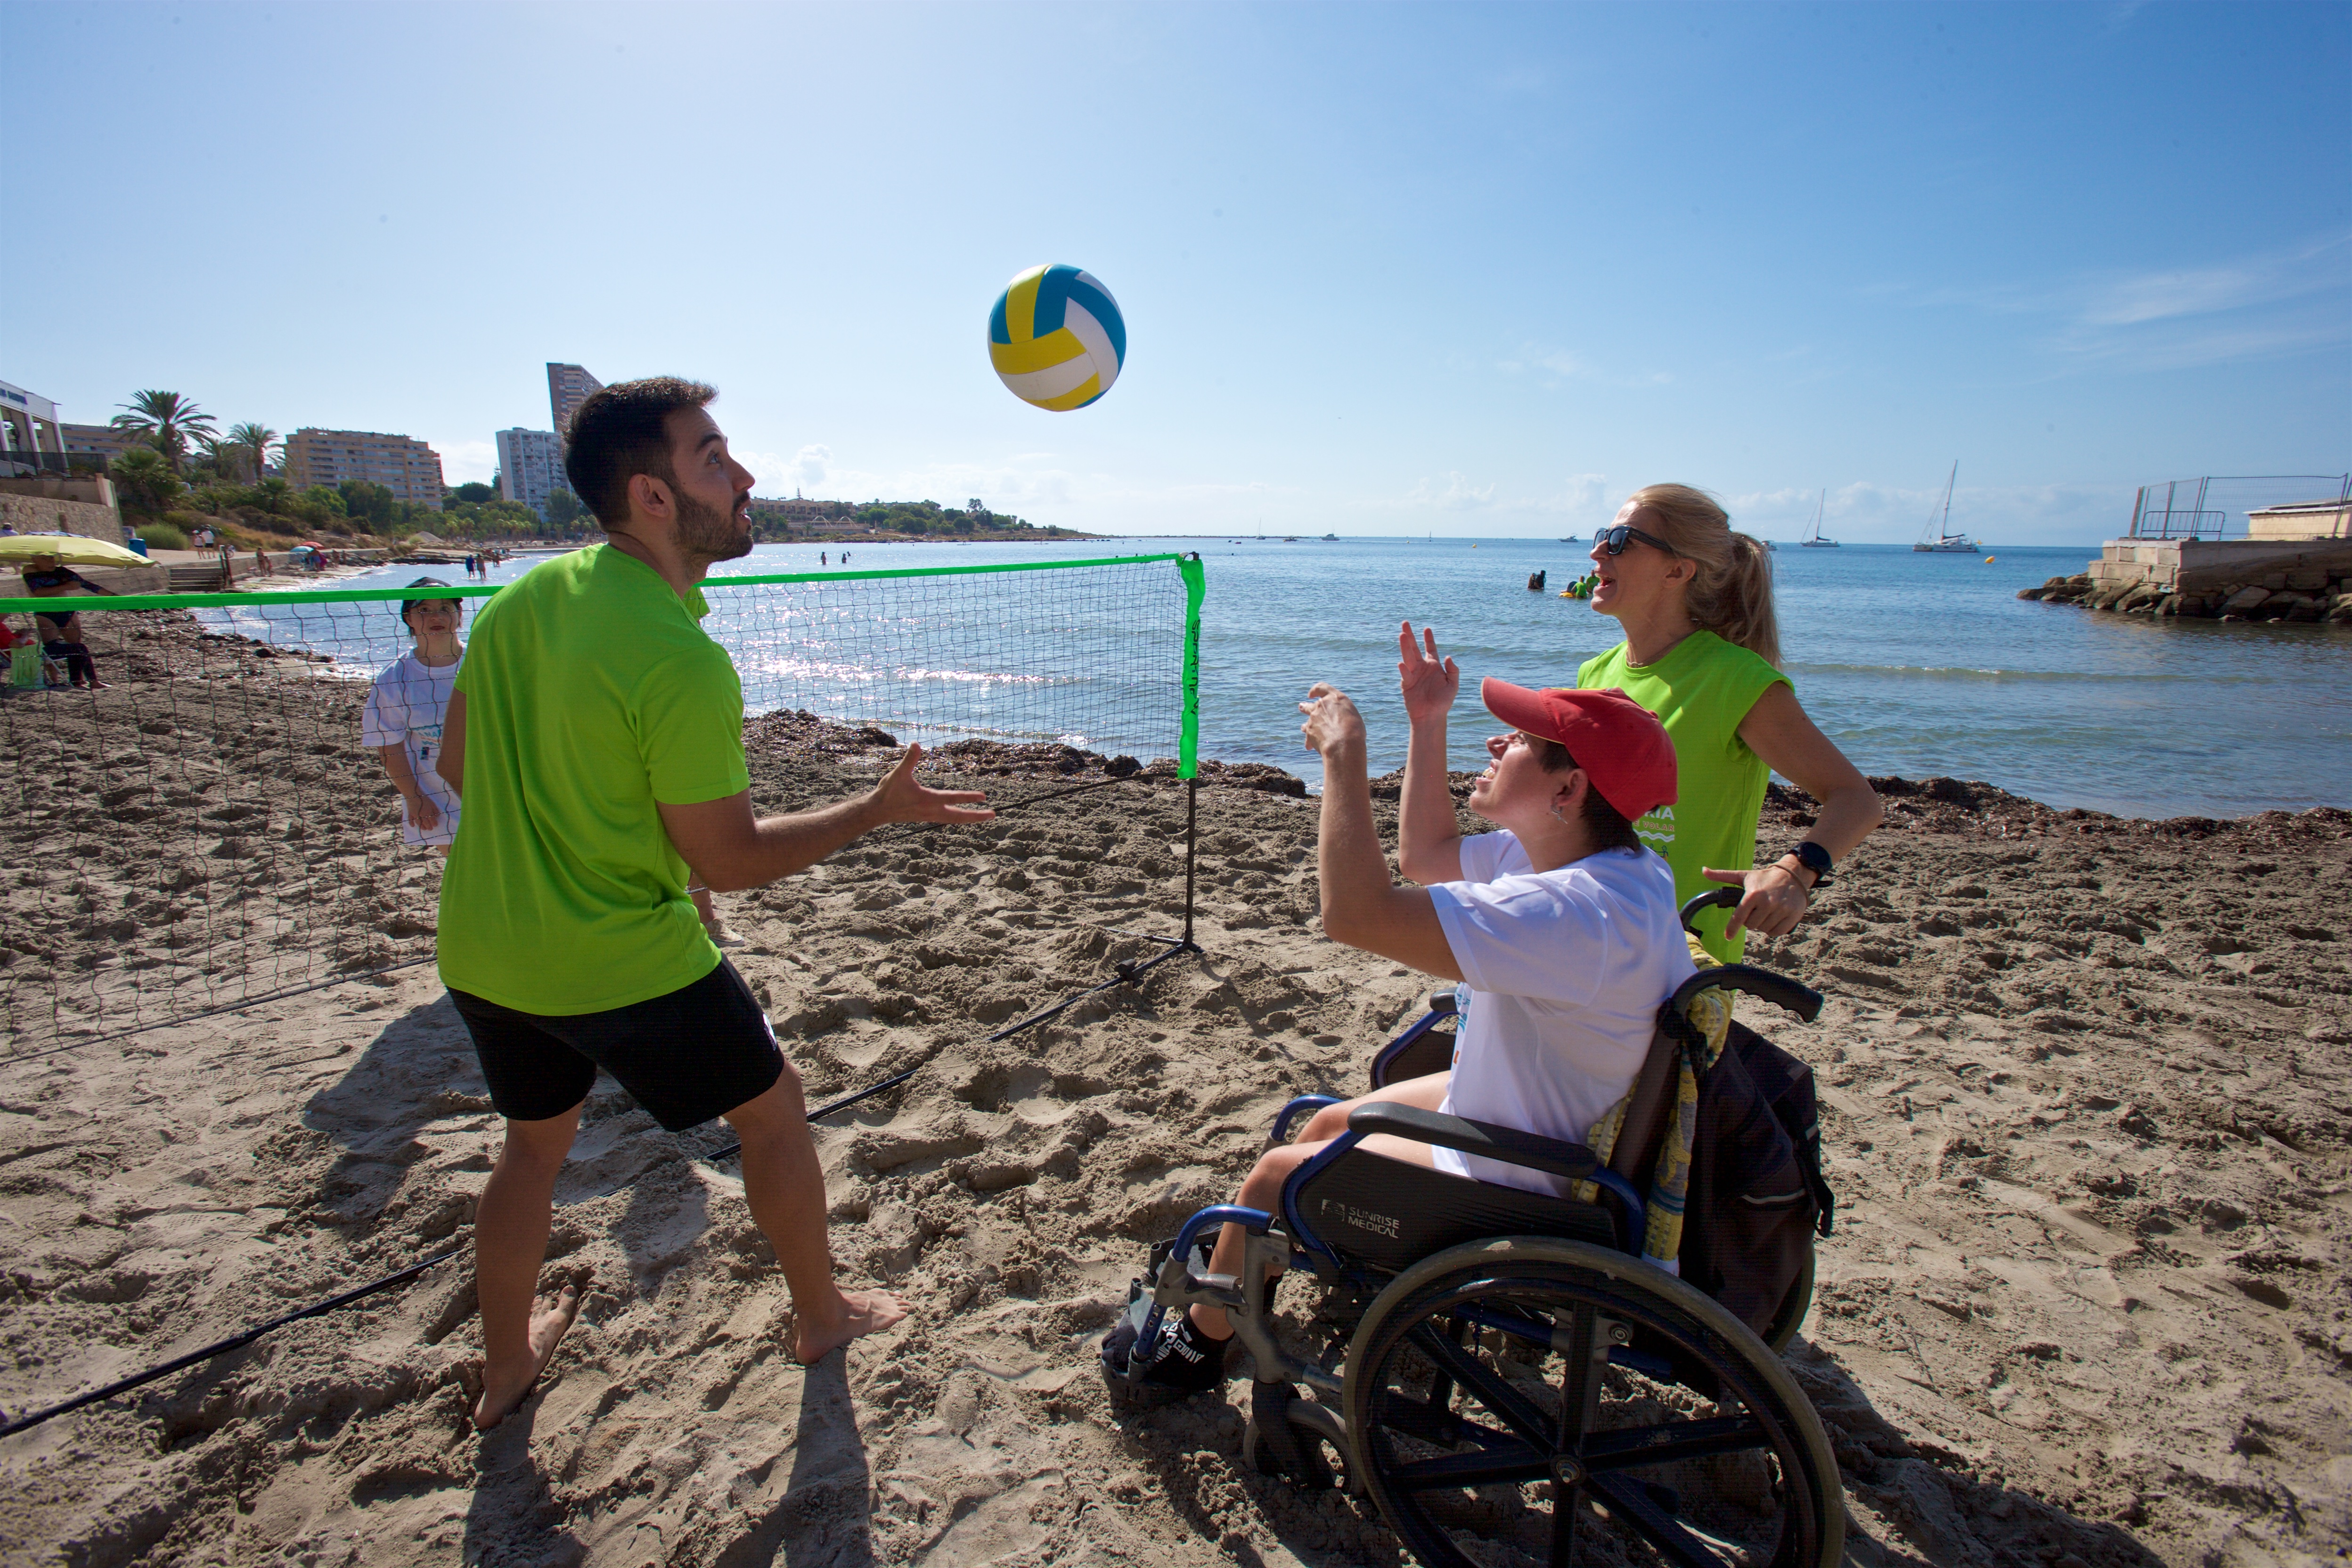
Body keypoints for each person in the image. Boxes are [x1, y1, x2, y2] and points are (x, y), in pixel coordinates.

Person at [435, 376, 994, 1430]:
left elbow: (461, 759)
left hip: (484, 947)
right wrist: (875, 808)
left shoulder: (516, 600)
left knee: (530, 1150)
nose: (744, 479)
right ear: (651, 495)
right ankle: (821, 1314)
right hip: (621, 956)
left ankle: (506, 1370)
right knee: (774, 1111)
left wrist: (576, 828)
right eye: (713, 458)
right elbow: (730, 861)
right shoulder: (678, 653)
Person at [1104, 647, 1691, 1395]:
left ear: (1569, 788)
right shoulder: (1608, 865)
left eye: (1519, 742)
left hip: (1527, 1175)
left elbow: (1354, 915)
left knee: (1273, 1177)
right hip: (1554, 1123)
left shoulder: (1571, 912)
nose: (1497, 742)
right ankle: (1265, 1272)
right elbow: (1427, 856)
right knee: (1321, 1130)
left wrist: (1345, 760)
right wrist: (1427, 721)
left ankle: (1195, 1349)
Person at [1575, 486, 1881, 962]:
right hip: (1588, 934)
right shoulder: (1595, 674)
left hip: (1679, 961)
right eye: (1602, 535)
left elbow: (1856, 799)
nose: (1597, 551)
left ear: (1677, 570)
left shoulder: (1736, 681)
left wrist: (1796, 871)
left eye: (1620, 540)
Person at [362, 580, 466, 856]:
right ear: (407, 618)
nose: (436, 617)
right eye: (423, 610)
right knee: (463, 873)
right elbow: (390, 745)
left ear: (459, 615)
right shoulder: (394, 678)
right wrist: (414, 797)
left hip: (494, 786)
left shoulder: (485, 660)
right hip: (438, 795)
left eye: (446, 608)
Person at [19, 553, 113, 690]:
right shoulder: (30, 570)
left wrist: (116, 597)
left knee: (77, 647)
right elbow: (38, 592)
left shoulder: (62, 572)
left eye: (52, 557)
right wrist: (67, 586)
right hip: (46, 614)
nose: (50, 561)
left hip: (67, 612)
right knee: (53, 647)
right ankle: (57, 680)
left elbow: (88, 585)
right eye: (44, 558)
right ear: (34, 559)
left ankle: (83, 681)